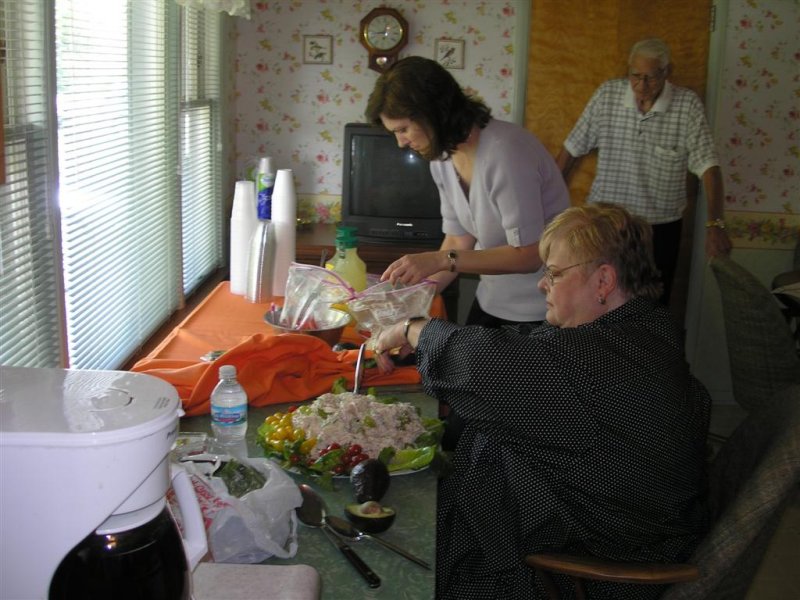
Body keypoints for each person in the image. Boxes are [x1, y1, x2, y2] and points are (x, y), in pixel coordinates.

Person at [375, 203, 711, 600]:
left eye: (553, 273)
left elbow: (492, 365)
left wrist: (412, 329)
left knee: (387, 560)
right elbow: (527, 350)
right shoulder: (641, 332)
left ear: (603, 281)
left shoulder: (602, 360)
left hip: (572, 565)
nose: (542, 284)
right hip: (586, 516)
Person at [365, 56, 570, 328]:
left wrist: (439, 259)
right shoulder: (442, 158)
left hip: (544, 309)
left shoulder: (505, 151)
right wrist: (407, 302)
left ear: (433, 113)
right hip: (492, 300)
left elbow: (530, 255)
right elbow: (458, 241)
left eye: (403, 129)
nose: (401, 142)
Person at [556, 38, 732, 304]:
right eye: (635, 76)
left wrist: (715, 224)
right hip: (606, 223)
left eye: (650, 78)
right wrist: (546, 202)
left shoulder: (687, 105)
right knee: (598, 299)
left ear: (667, 72)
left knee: (651, 305)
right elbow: (571, 148)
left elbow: (709, 167)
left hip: (658, 229)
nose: (641, 86)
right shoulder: (607, 96)